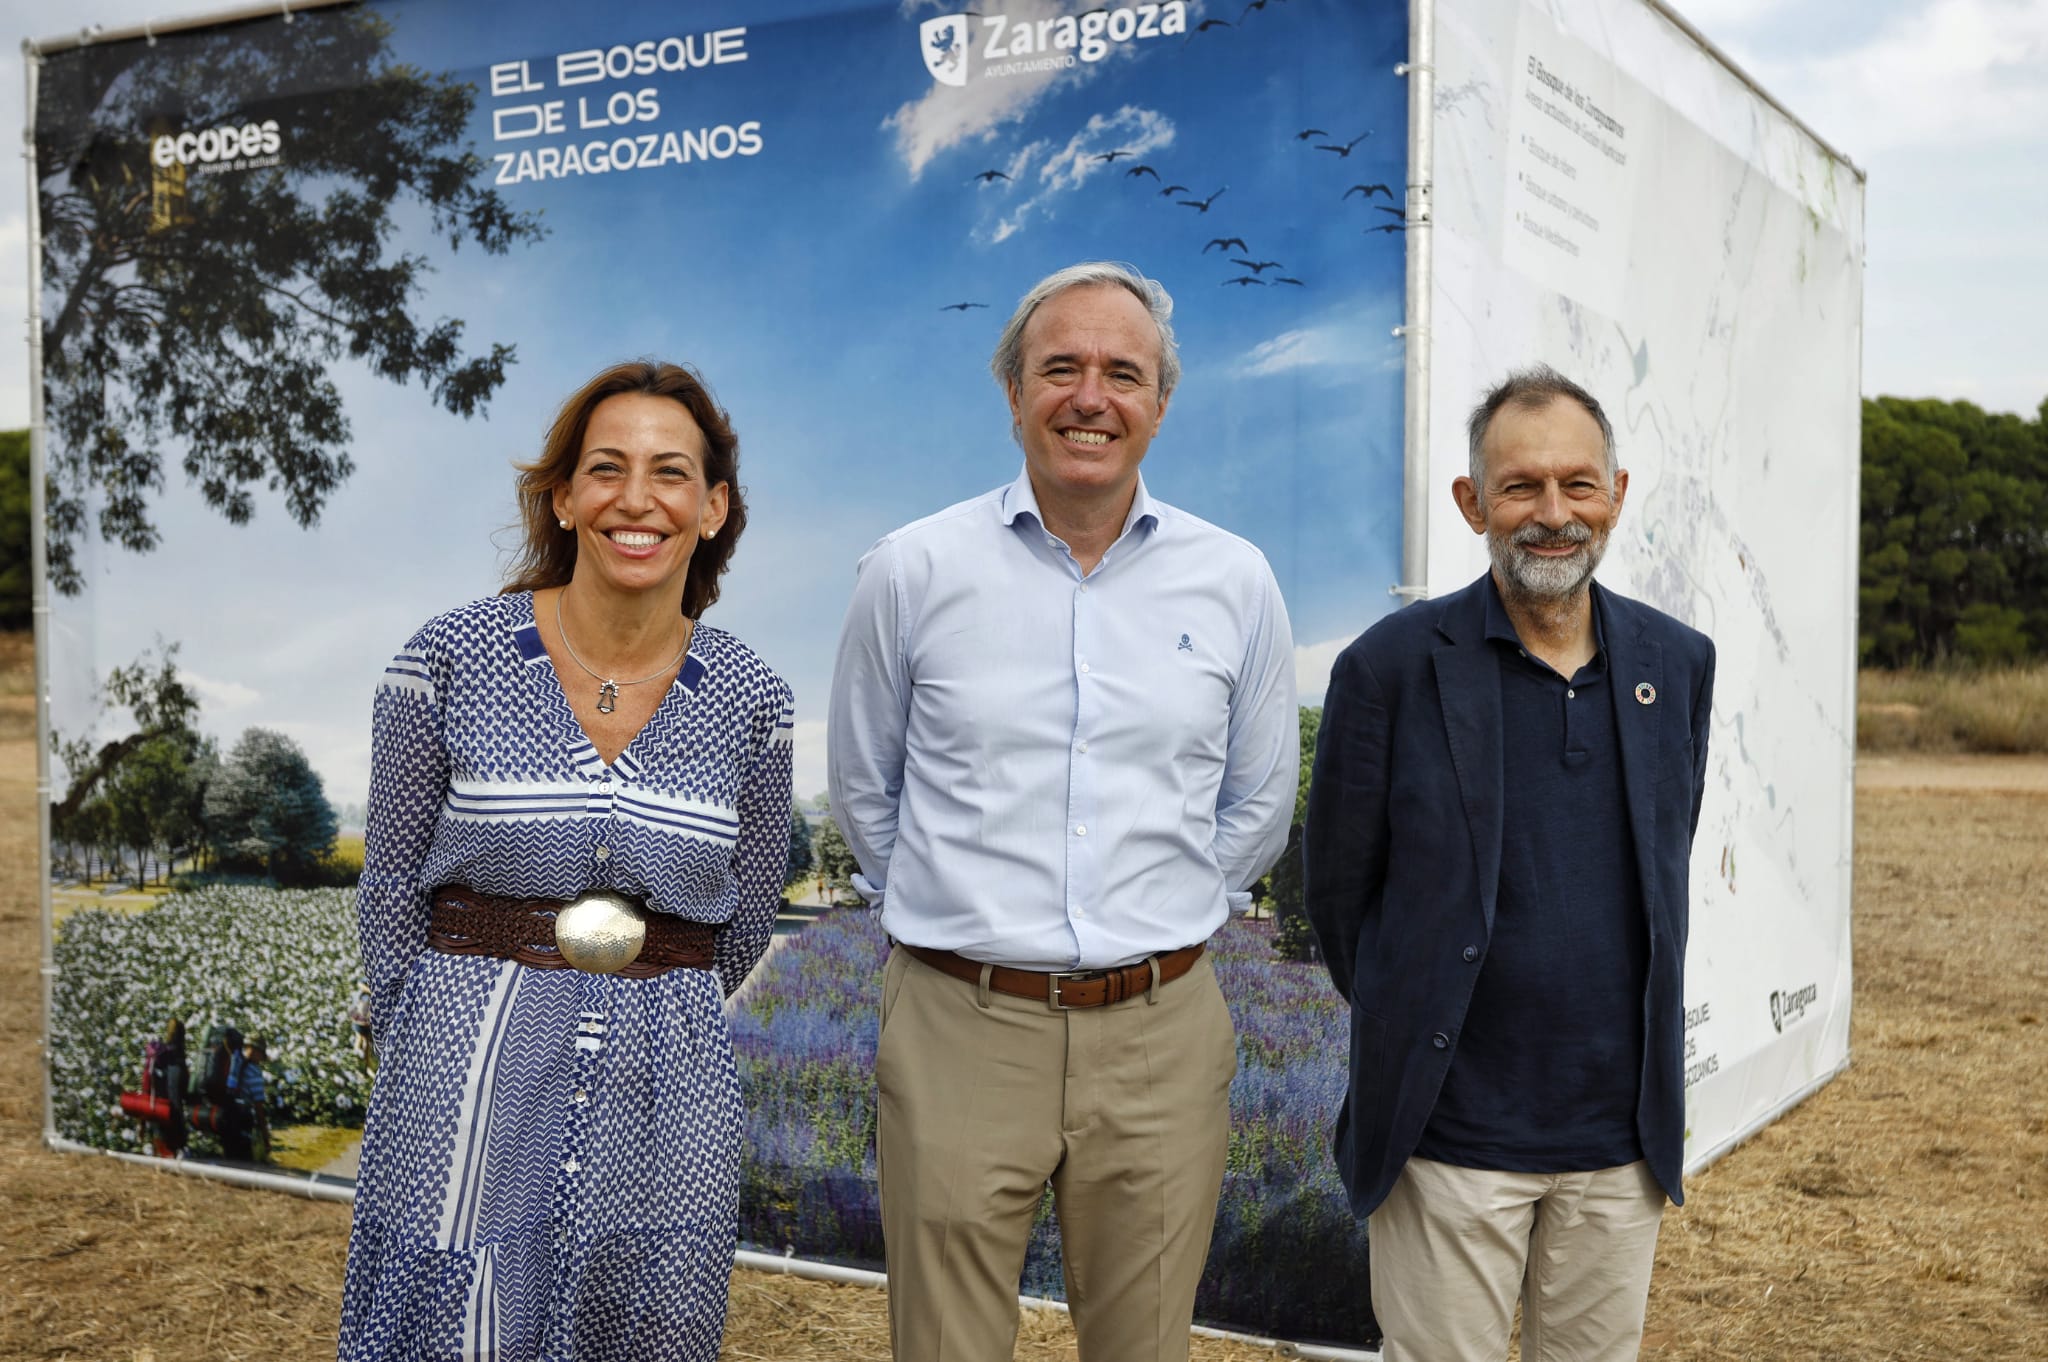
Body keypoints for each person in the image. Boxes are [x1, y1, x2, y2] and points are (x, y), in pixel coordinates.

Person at [828, 261, 1298, 1361]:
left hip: (1161, 1035)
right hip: (960, 1025)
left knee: (1143, 1345)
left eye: (1122, 374)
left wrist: (1165, 916)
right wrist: (967, 923)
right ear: (1012, 392)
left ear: (1160, 404)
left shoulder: (1236, 582)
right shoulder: (909, 571)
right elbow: (865, 791)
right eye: (1060, 369)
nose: (1091, 397)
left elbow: (1258, 801)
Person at [340, 360, 794, 1361]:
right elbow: (391, 883)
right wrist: (430, 1032)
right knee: (449, 1315)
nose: (637, 499)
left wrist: (654, 996)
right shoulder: (448, 658)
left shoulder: (754, 699)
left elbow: (749, 912)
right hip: (463, 1054)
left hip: (666, 1070)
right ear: (562, 496)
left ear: (713, 508)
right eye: (606, 468)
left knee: (645, 1316)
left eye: (671, 473)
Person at [1303, 365, 1715, 1361]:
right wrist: (1416, 1011)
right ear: (1471, 501)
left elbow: (1663, 859)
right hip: (1448, 1143)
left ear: (1616, 495)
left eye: (1578, 484)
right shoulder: (1388, 669)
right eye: (1520, 486)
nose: (1552, 515)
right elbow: (1340, 898)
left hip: (1618, 1143)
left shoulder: (1676, 662)